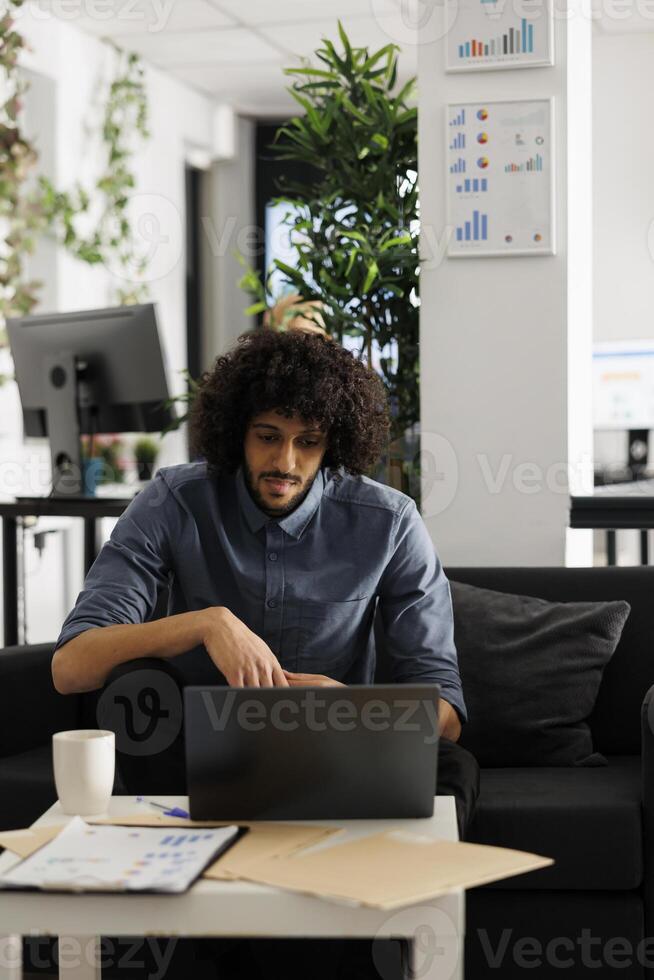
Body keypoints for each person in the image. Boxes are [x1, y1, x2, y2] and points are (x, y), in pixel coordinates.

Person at [52, 329, 479, 979]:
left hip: (334, 757)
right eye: (267, 435)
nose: (286, 460)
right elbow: (70, 666)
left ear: (333, 443)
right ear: (235, 432)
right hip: (196, 763)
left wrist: (355, 712)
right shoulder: (173, 501)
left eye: (308, 441)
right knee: (138, 695)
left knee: (451, 765)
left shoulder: (389, 522)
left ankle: (354, 931)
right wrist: (205, 623)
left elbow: (444, 703)